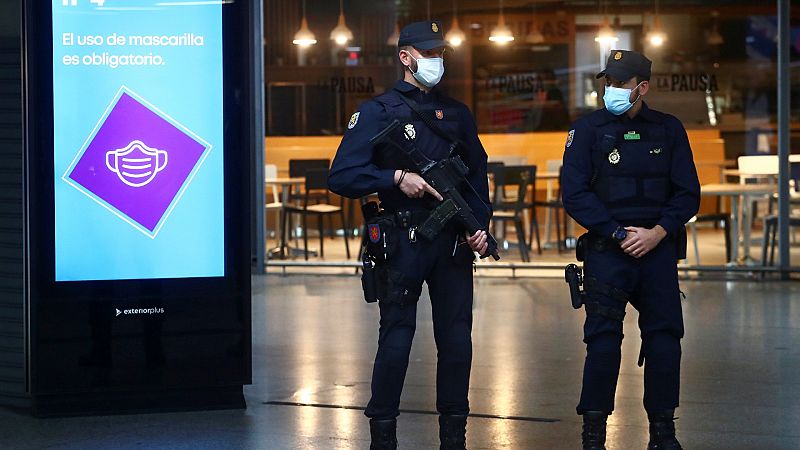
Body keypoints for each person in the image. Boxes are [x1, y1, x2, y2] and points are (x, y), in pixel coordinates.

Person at [328, 20, 492, 450]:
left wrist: (481, 225)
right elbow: (342, 174)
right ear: (406, 57)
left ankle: (454, 434)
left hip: (453, 241)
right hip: (403, 241)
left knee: (456, 339)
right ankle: (383, 434)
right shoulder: (377, 112)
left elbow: (478, 173)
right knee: (397, 336)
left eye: (441, 54)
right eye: (430, 54)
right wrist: (395, 176)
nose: (437, 62)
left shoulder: (457, 113)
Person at [561, 50, 700, 450]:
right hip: (608, 250)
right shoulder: (586, 130)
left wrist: (657, 232)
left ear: (642, 87)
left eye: (621, 83)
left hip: (656, 251)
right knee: (603, 340)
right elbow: (575, 194)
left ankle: (662, 432)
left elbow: (688, 193)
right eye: (608, 82)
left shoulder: (668, 129)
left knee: (665, 337)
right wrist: (619, 232)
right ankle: (593, 434)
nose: (612, 90)